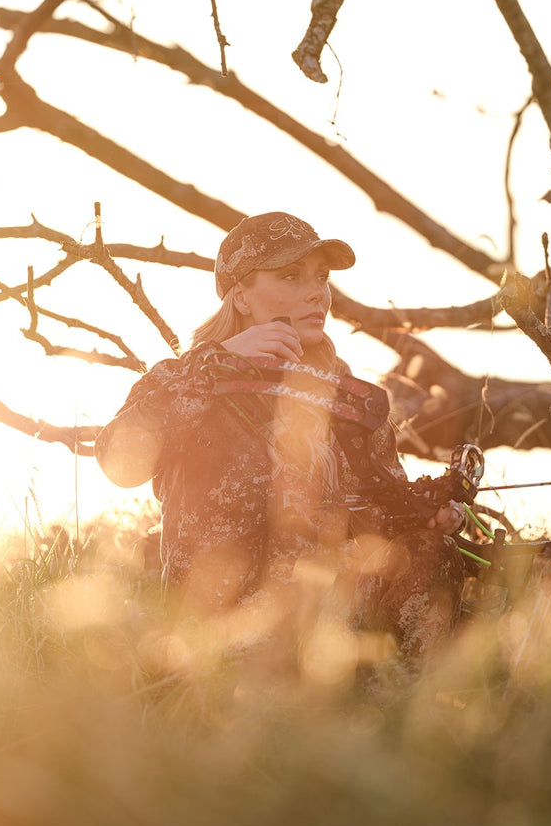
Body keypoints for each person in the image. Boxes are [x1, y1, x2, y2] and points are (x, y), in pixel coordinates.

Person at [96, 211, 465, 659]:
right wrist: (217, 364)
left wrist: (422, 514)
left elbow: (380, 511)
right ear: (241, 296)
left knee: (434, 551)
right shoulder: (186, 377)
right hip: (220, 632)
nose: (317, 293)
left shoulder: (349, 400)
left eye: (322, 277)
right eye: (291, 276)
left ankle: (395, 715)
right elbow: (119, 463)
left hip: (329, 621)